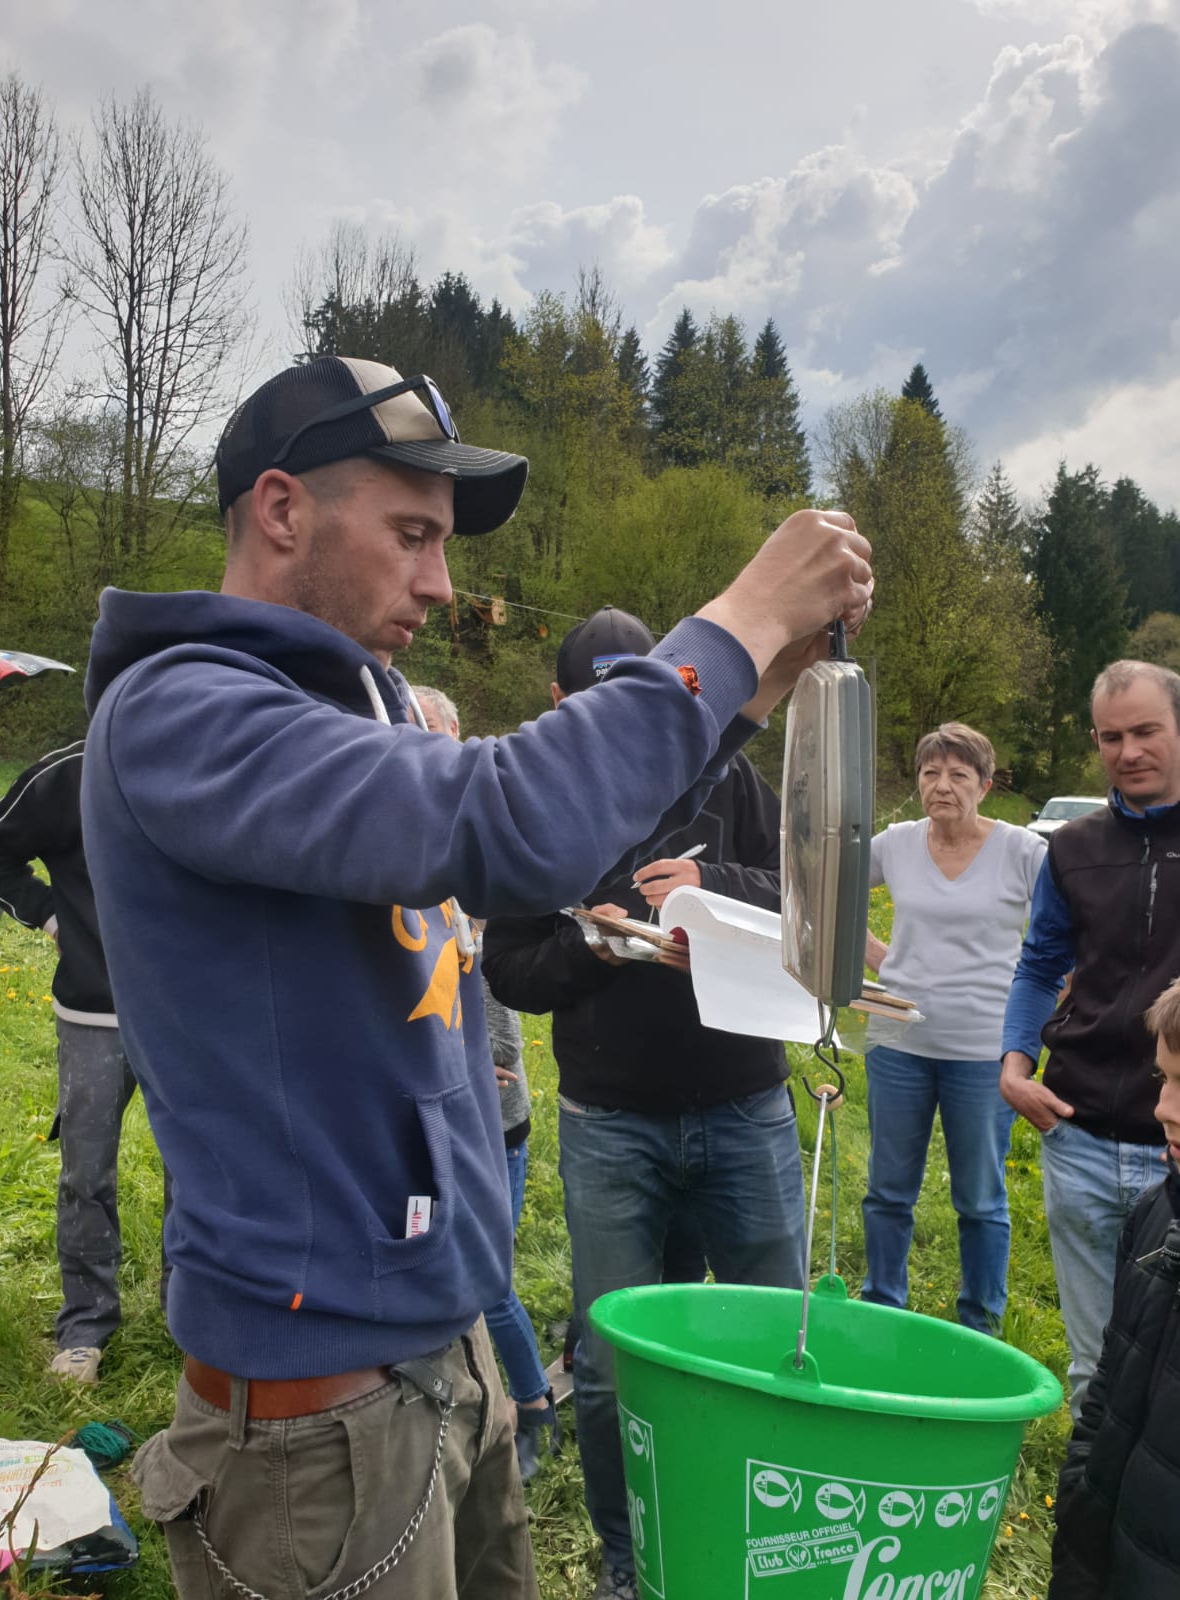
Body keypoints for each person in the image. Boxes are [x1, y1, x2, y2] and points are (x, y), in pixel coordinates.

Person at [78, 354, 872, 1600]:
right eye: (412, 535)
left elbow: (560, 819)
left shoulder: (356, 712)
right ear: (281, 509)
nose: (443, 582)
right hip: (315, 1427)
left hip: (448, 1359)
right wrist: (739, 619)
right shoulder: (186, 714)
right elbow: (509, 820)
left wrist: (747, 695)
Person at [482, 606, 807, 1600]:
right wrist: (594, 944)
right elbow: (511, 969)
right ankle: (630, 1562)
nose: (622, 715)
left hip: (746, 1104)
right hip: (610, 1123)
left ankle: (772, 1546)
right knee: (612, 1361)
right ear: (560, 701)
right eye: (599, 697)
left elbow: (808, 898)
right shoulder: (538, 803)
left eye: (639, 692)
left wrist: (711, 886)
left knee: (777, 1338)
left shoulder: (727, 777)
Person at [1002, 661, 1180, 1418]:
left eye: (1146, 731)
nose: (1128, 751)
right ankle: (1092, 1493)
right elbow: (1040, 963)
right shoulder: (1071, 848)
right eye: (1111, 737)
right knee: (1094, 1366)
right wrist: (1014, 1063)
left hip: (1174, 1142)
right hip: (1077, 1139)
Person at [0, 739, 170, 1384]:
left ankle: (190, 1312)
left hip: (192, 1018)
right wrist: (49, 916)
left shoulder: (211, 762)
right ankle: (85, 1326)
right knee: (86, 1173)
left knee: (197, 1173)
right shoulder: (67, 776)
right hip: (94, 1011)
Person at [412, 684, 560, 1481]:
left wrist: (474, 1068)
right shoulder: (404, 853)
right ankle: (463, 1407)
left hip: (493, 1118)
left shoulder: (478, 864)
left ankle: (533, 1405)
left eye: (431, 734)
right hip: (433, 1113)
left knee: (486, 1280)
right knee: (445, 1271)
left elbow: (498, 1014)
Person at [862, 723, 1044, 1335]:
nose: (941, 786)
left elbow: (1066, 933)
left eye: (958, 775)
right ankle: (882, 1309)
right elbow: (827, 888)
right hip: (897, 1044)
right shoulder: (895, 844)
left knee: (980, 1197)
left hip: (983, 1050)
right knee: (887, 1189)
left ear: (985, 786)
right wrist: (882, 960)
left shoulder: (1023, 851)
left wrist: (1049, 1006)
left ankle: (979, 1326)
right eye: (930, 773)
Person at [1047, 974, 1180, 1599]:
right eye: (1164, 1078)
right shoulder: (1155, 1218)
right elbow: (1105, 1393)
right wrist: (1077, 1503)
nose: (1163, 1108)